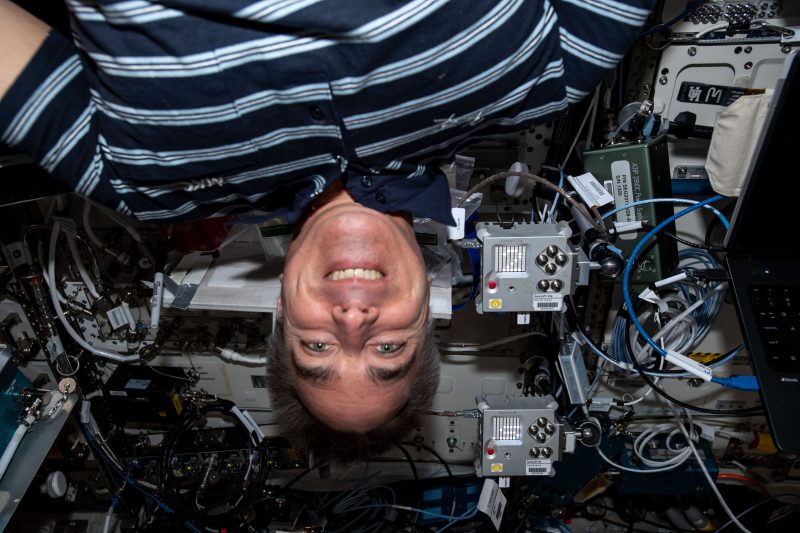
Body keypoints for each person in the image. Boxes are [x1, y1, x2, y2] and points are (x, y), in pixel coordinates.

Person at [0, 0, 655, 461]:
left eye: (316, 348)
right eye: (388, 349)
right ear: (426, 310)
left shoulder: (136, 184)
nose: (352, 323)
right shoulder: (551, 76)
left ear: (283, 306)